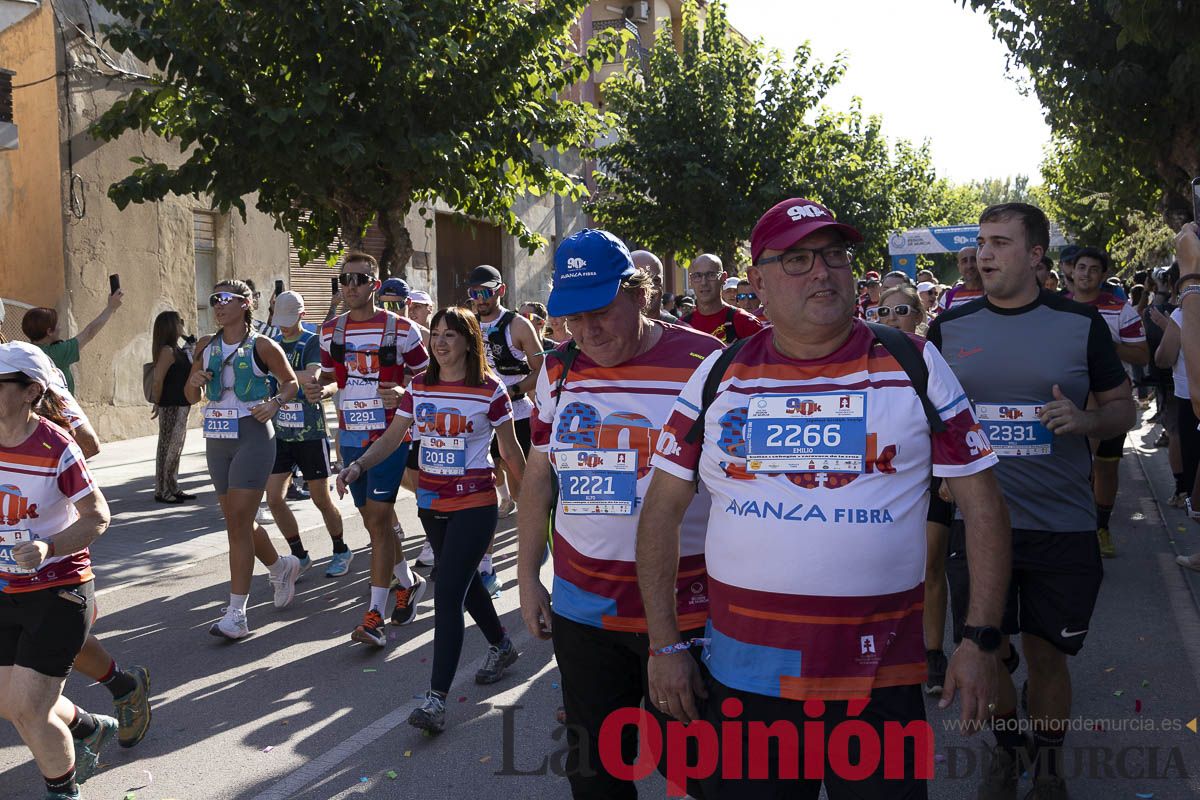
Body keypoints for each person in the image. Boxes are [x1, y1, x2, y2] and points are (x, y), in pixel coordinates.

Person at [641, 197, 1007, 799]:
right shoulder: (717, 376)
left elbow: (985, 505)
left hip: (878, 682)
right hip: (747, 683)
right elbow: (660, 514)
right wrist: (665, 644)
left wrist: (980, 638)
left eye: (835, 254)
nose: (823, 271)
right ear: (756, 281)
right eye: (799, 259)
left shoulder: (913, 362)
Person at [929, 203, 1135, 799]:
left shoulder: (1079, 325)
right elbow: (926, 420)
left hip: (1061, 527)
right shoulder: (951, 329)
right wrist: (942, 472)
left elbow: (1127, 408)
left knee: (1048, 658)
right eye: (980, 243)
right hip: (981, 527)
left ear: (1036, 255)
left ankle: (1047, 762)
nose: (984, 255)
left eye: (999, 243)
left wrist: (1088, 417)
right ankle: (1005, 749)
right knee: (987, 653)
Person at [517, 228, 724, 799]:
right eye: (572, 318)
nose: (588, 331)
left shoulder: (704, 362)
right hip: (586, 611)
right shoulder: (558, 369)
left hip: (689, 611)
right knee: (598, 777)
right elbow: (540, 476)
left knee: (699, 776)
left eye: (601, 312)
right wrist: (528, 574)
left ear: (641, 292)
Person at [339, 306, 524, 733]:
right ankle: (501, 645)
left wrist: (533, 501)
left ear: (468, 341)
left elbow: (510, 453)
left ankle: (437, 699)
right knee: (467, 582)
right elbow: (393, 437)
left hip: (476, 504)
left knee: (448, 591)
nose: (440, 342)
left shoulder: (490, 390)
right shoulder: (418, 387)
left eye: (450, 335)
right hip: (432, 504)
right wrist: (358, 466)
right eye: (436, 334)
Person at [0, 341, 117, 800]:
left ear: (30, 392)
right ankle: (90, 727)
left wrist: (49, 546)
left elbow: (97, 516)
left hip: (60, 589)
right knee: (10, 704)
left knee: (29, 711)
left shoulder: (56, 446)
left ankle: (64, 793)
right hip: (6, 590)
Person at [311, 253, 429, 647]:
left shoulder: (403, 329)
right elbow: (332, 380)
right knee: (375, 523)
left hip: (391, 436)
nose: (350, 286)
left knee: (378, 521)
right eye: (343, 280)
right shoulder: (331, 331)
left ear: (375, 285)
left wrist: (404, 393)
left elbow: (430, 380)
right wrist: (319, 391)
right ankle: (409, 584)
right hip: (350, 435)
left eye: (359, 279)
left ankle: (374, 616)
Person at [184, 280, 304, 640]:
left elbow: (291, 383)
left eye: (226, 299)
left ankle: (236, 614)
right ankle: (281, 566)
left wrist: (275, 403)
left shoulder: (262, 345)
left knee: (237, 521)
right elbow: (190, 396)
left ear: (246, 303)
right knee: (238, 520)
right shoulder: (206, 345)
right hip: (217, 439)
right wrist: (193, 380)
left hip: (253, 436)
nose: (218, 305)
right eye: (214, 299)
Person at [260, 292, 352, 579]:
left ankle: (341, 550)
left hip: (310, 432)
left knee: (319, 498)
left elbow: (312, 376)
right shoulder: (270, 343)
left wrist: (278, 374)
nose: (283, 326)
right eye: (279, 320)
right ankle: (299, 555)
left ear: (303, 314)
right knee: (274, 497)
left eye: (289, 320)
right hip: (280, 433)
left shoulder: (311, 341)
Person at [466, 264, 544, 594]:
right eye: (474, 293)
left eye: (486, 291)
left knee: (522, 489)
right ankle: (485, 566)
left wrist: (511, 392)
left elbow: (542, 370)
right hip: (476, 419)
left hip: (517, 416)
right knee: (482, 490)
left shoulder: (517, 324)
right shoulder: (465, 323)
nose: (480, 298)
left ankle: (533, 554)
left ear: (501, 290)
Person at [1067, 246, 1148, 558]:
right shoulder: (1056, 307)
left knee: (1105, 467)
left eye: (1093, 269)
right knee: (1073, 466)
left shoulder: (1120, 309)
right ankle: (1075, 529)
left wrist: (1108, 346)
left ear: (1102, 276)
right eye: (1081, 267)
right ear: (1071, 272)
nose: (1086, 274)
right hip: (1067, 400)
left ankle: (1101, 527)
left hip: (1111, 401)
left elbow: (1142, 355)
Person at [1151, 272, 1200, 510]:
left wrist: (1168, 327)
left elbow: (1163, 357)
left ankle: (1185, 492)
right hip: (1189, 399)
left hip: (1191, 402)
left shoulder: (1183, 315)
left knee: (1193, 471)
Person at [21, 292, 124, 395]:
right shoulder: (56, 353)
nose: (60, 328)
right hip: (59, 407)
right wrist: (110, 308)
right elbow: (89, 332)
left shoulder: (26, 352)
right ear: (49, 332)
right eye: (57, 325)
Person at [149, 311, 195, 504]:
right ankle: (162, 489)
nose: (182, 324)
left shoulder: (178, 349)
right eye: (179, 322)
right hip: (171, 406)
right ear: (170, 326)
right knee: (167, 448)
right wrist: (157, 403)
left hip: (182, 405)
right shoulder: (167, 351)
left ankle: (173, 486)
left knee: (176, 447)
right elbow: (158, 381)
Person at [680, 254, 764, 344]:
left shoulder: (744, 322)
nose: (704, 282)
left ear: (724, 278)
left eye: (711, 275)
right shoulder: (682, 326)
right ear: (691, 280)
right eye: (697, 276)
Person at [629, 250, 677, 322]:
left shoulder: (679, 331)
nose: (648, 287)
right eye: (638, 280)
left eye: (655, 280)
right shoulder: (611, 330)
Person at [938, 246, 984, 312]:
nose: (969, 266)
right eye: (964, 261)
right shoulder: (948, 297)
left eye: (974, 260)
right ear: (959, 267)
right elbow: (941, 321)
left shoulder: (994, 294)